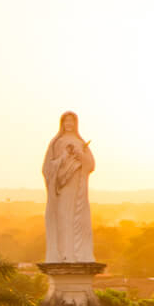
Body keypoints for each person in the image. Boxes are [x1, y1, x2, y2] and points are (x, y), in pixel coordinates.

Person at [43, 111, 95, 262]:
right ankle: (64, 253)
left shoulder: (80, 141)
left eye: (72, 121)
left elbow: (90, 165)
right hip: (63, 187)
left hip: (78, 185)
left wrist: (80, 154)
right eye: (66, 121)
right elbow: (48, 167)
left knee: (78, 219)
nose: (69, 124)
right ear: (62, 123)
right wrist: (64, 157)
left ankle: (79, 253)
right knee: (64, 216)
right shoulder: (56, 143)